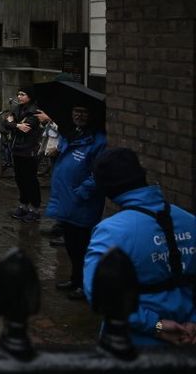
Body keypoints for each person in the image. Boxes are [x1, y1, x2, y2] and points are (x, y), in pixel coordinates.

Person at [84, 148, 196, 346]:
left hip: (134, 341)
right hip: (188, 336)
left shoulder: (111, 231)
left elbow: (99, 293)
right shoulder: (190, 221)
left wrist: (156, 325)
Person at [45, 105, 106, 300]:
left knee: (83, 247)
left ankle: (86, 285)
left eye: (84, 111)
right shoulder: (70, 134)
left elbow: (99, 173)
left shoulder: (99, 141)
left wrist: (82, 192)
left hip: (83, 203)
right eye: (75, 111)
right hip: (67, 201)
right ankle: (75, 279)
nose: (79, 115)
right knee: (71, 246)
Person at [4, 89, 44, 222]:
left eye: (23, 94)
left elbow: (27, 127)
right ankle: (23, 205)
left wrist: (13, 123)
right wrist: (16, 125)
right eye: (18, 94)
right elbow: (5, 123)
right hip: (17, 148)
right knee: (19, 178)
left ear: (30, 96)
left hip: (29, 149)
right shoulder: (17, 108)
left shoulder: (34, 110)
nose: (19, 97)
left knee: (30, 179)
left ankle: (35, 208)